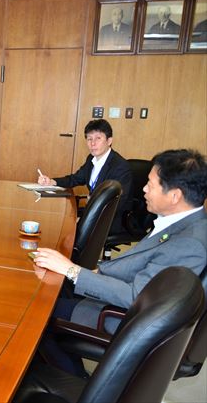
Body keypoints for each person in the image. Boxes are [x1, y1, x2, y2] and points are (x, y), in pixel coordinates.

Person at [35, 149, 207, 376]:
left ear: (175, 196)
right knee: (53, 289)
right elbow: (142, 267)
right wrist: (88, 273)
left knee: (37, 315)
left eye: (150, 184)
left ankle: (74, 384)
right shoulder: (185, 223)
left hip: (125, 320)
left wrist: (73, 270)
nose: (144, 190)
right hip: (125, 303)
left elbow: (138, 297)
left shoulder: (189, 245)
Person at [37, 119, 133, 234]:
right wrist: (52, 182)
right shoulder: (91, 159)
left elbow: (119, 202)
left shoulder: (120, 166)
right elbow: (76, 178)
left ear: (109, 141)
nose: (93, 143)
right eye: (89, 139)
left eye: (98, 138)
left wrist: (93, 205)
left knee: (67, 232)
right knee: (58, 223)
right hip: (93, 212)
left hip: (110, 219)